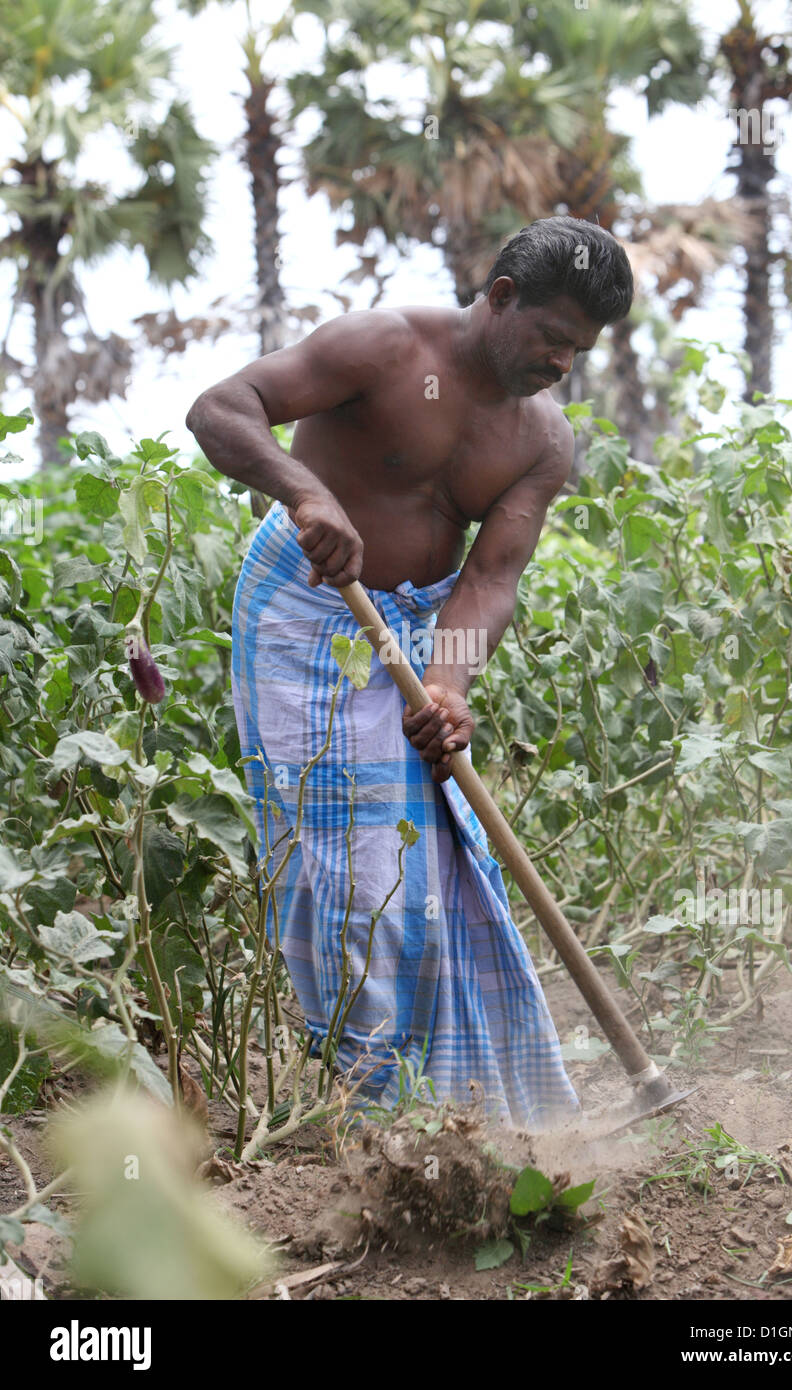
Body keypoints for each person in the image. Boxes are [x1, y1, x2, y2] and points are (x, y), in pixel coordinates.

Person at [185, 215, 634, 1128]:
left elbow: (490, 579)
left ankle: (452, 1109)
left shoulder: (543, 443)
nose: (562, 366)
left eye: (578, 352)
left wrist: (450, 687)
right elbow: (220, 408)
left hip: (415, 635)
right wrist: (306, 492)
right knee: (347, 872)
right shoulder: (382, 347)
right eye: (552, 339)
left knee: (434, 874)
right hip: (306, 614)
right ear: (500, 299)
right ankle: (363, 1104)